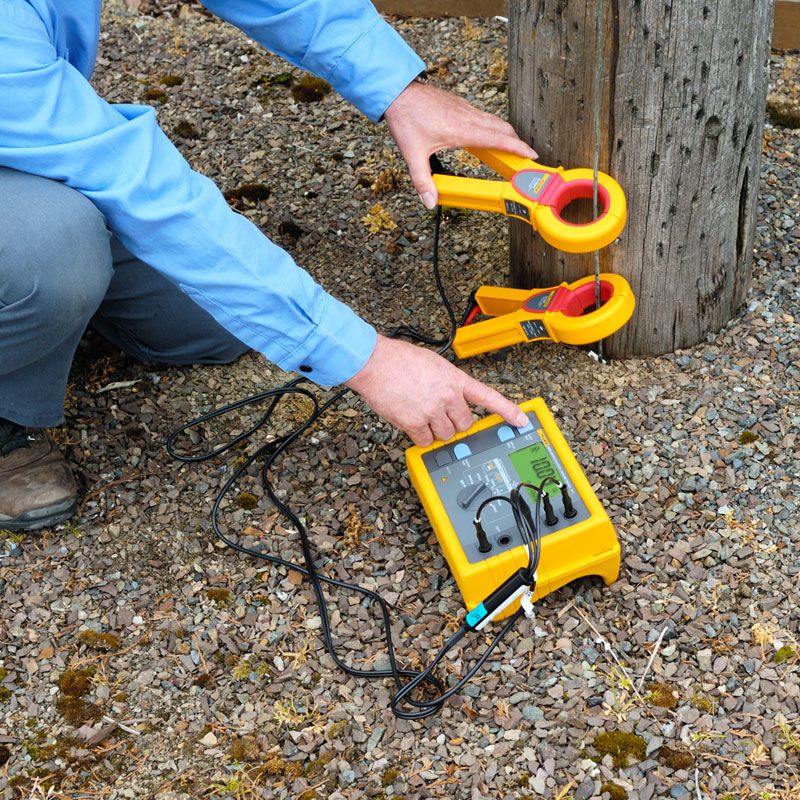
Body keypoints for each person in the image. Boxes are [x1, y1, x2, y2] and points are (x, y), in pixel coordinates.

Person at [0, 0, 538, 532]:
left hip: (30, 132)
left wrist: (397, 87)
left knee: (213, 320)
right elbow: (135, 182)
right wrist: (367, 360)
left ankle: (37, 308)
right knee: (57, 253)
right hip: (37, 160)